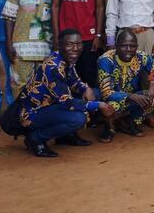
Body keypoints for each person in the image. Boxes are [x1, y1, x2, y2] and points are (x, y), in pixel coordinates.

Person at [17, 29, 116, 157]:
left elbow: (74, 81)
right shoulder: (53, 68)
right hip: (33, 113)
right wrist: (99, 105)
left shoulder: (64, 58)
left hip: (51, 105)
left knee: (95, 93)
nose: (76, 48)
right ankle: (35, 138)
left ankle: (65, 135)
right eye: (70, 44)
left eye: (79, 44)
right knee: (78, 118)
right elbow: (67, 103)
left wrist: (86, 88)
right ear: (60, 45)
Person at [2, 0, 53, 97]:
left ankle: (40, 117)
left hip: (46, 47)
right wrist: (8, 44)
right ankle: (20, 116)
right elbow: (8, 18)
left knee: (46, 84)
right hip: (22, 47)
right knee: (20, 84)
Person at [97, 29, 154, 141]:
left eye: (132, 46)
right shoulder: (106, 60)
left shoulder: (141, 57)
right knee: (111, 106)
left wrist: (153, 84)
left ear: (136, 46)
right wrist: (130, 96)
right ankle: (108, 125)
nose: (129, 50)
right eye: (124, 46)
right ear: (116, 46)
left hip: (133, 98)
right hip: (112, 100)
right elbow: (106, 93)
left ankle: (128, 122)